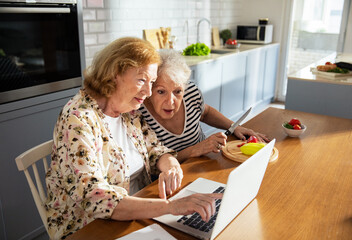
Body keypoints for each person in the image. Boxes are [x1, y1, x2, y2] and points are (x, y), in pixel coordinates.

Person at [45, 38, 222, 239]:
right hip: (90, 227)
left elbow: (157, 151)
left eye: (152, 82)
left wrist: (171, 165)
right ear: (114, 75)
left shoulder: (129, 111)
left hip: (140, 210)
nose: (148, 92)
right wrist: (170, 207)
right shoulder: (79, 118)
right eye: (141, 80)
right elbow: (94, 197)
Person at [140, 49, 269, 162]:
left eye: (177, 91)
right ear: (150, 88)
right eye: (161, 92)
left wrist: (234, 126)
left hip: (205, 161)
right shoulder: (139, 114)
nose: (170, 101)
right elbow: (152, 166)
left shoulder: (191, 93)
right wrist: (195, 150)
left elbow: (205, 112)